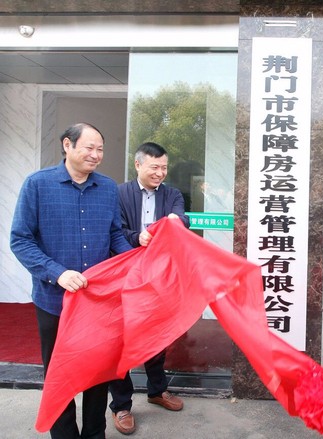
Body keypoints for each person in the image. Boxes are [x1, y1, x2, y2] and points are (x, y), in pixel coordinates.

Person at [10, 123, 135, 439]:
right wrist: (58, 273)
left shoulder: (108, 188)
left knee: (98, 372)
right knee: (59, 374)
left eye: (100, 149)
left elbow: (114, 235)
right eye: (89, 148)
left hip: (98, 302)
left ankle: (95, 433)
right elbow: (20, 240)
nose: (96, 155)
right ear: (68, 145)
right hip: (54, 300)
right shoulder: (38, 185)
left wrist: (135, 263)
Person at [108, 142, 190, 435]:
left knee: (157, 335)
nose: (160, 173)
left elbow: (182, 219)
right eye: (154, 167)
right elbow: (114, 230)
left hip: (160, 276)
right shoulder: (118, 193)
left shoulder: (172, 194)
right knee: (121, 340)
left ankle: (157, 390)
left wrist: (176, 221)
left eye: (164, 168)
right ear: (138, 165)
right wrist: (136, 237)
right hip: (126, 276)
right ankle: (121, 405)